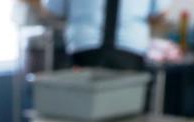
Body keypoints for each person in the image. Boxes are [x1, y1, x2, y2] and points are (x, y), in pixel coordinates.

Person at [35, 0, 169, 70]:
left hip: (84, 48)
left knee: (83, 107)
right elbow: (159, 13)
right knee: (126, 107)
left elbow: (53, 10)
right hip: (130, 49)